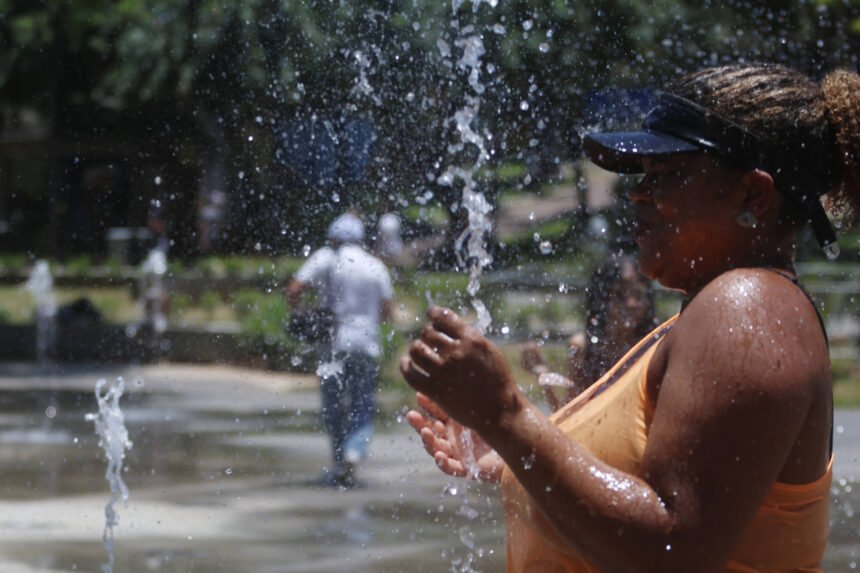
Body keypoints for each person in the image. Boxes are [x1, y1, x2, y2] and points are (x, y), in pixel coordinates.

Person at [401, 63, 860, 572]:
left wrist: (507, 415)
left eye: (667, 175)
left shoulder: (750, 306)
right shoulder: (705, 314)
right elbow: (634, 498)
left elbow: (673, 549)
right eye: (643, 176)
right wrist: (513, 459)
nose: (639, 193)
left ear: (752, 194)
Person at [287, 212, 394, 488]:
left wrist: (301, 315)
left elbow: (294, 288)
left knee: (333, 404)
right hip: (366, 344)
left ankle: (338, 461)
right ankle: (354, 451)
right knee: (362, 400)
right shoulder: (375, 266)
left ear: (334, 237)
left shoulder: (326, 258)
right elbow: (387, 310)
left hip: (332, 343)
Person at [521, 254, 656, 410]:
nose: (631, 304)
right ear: (602, 300)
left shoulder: (653, 346)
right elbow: (568, 417)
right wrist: (543, 375)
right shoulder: (584, 349)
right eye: (620, 295)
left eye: (638, 295)